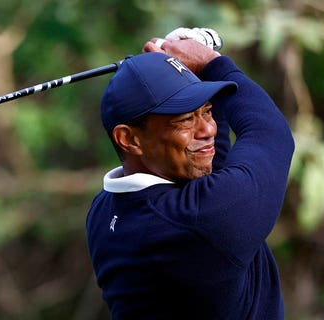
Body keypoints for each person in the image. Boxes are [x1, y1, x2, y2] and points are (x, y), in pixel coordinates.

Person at [85, 29, 295, 319]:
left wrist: (183, 72)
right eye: (185, 119)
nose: (208, 129)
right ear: (129, 139)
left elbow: (211, 165)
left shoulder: (104, 210)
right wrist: (213, 63)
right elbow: (270, 134)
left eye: (207, 111)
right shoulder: (200, 221)